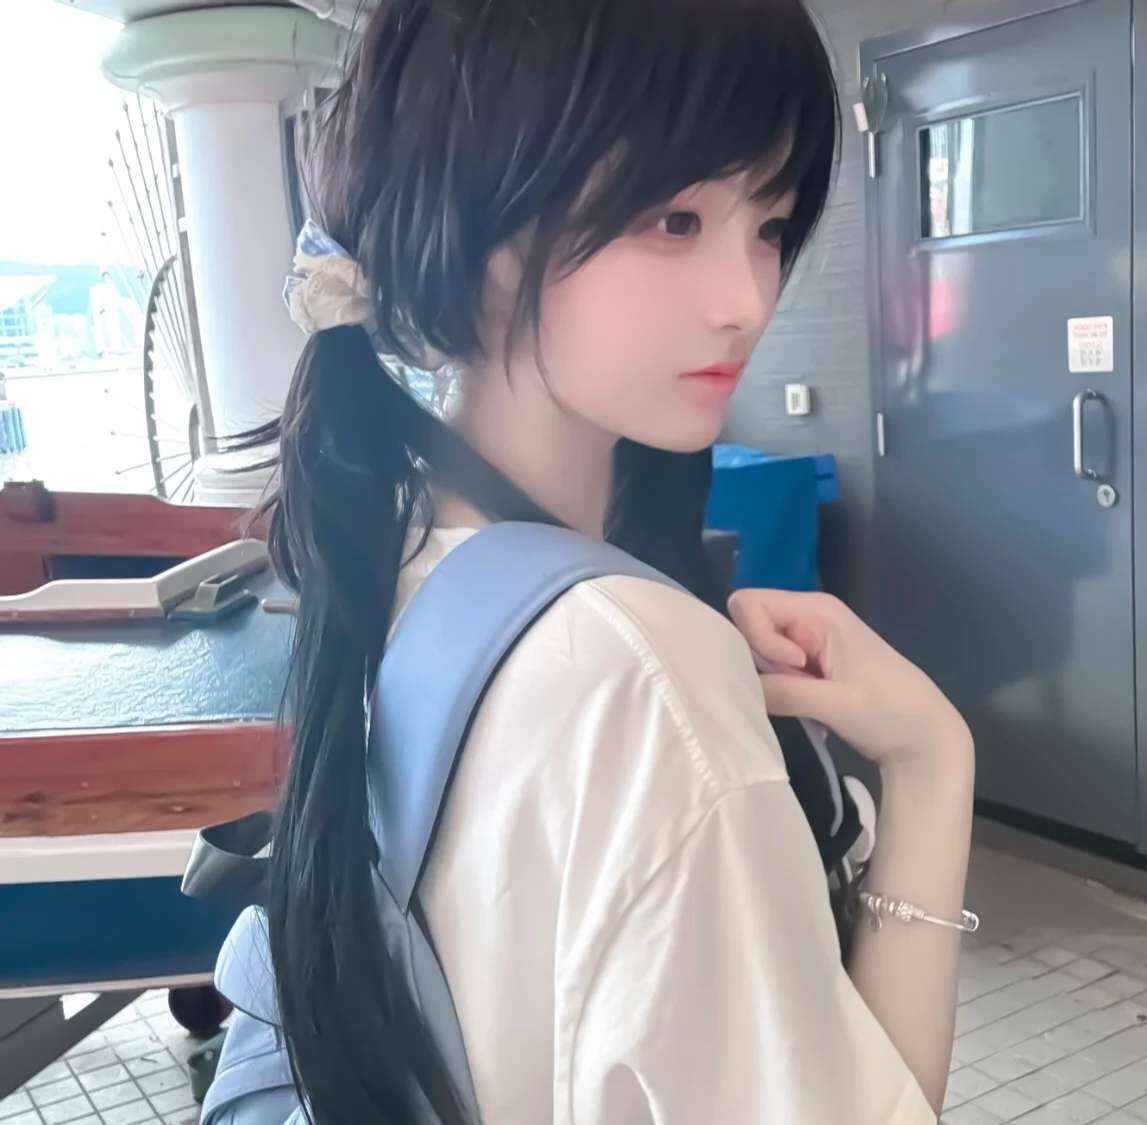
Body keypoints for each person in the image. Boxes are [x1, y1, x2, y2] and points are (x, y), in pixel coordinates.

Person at [245, 1, 976, 1121]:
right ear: (483, 219)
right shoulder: (637, 672)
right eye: (676, 219)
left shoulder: (401, 557)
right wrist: (930, 761)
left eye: (771, 224)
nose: (747, 300)